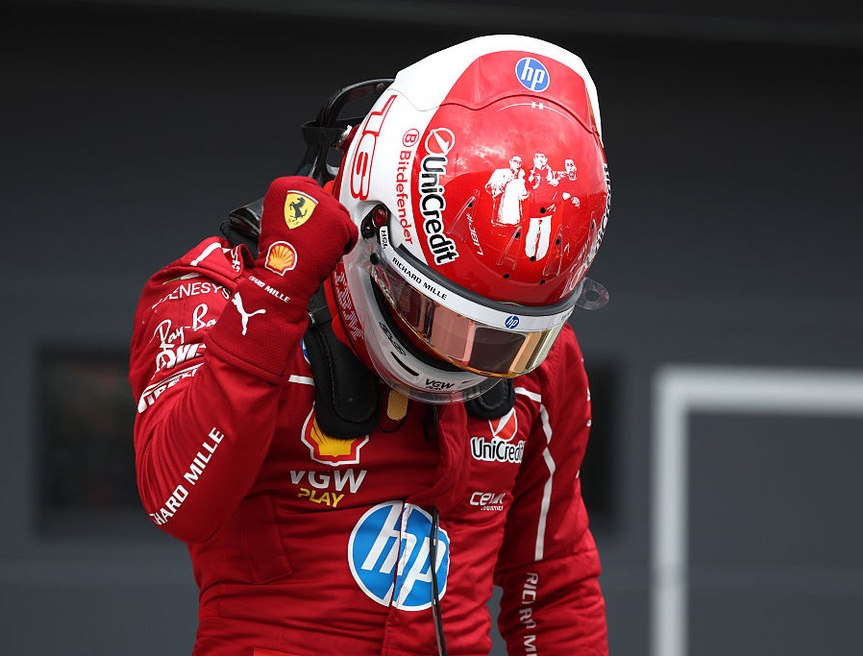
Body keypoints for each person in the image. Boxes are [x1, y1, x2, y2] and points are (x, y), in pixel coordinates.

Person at [129, 34, 611, 656]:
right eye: (438, 318)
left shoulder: (529, 351)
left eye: (494, 340)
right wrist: (273, 298)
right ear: (372, 223)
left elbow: (554, 579)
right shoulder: (217, 295)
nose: (465, 355)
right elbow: (178, 503)